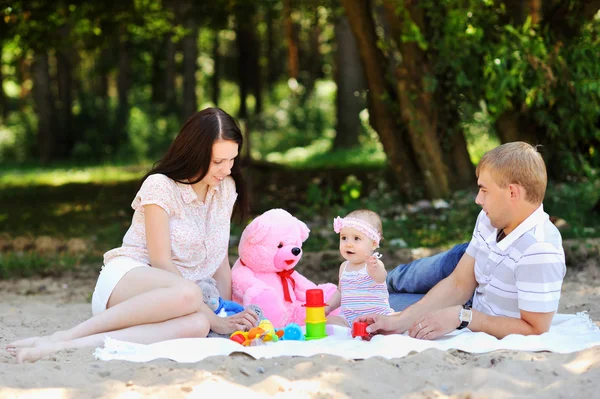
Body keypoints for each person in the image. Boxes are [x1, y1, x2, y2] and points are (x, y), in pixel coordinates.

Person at [7, 108, 260, 363]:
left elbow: (219, 260)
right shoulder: (161, 186)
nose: (226, 169)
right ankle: (62, 337)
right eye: (218, 162)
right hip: (129, 282)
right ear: (195, 153)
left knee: (197, 326)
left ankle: (61, 347)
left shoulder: (225, 189)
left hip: (182, 301)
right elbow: (161, 263)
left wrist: (223, 316)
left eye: (232, 160)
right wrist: (215, 318)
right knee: (190, 294)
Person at [360, 141, 566, 340]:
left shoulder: (540, 249)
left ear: (512, 192)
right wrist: (405, 320)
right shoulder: (489, 218)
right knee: (402, 278)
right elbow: (459, 283)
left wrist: (463, 316)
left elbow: (536, 330)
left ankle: (359, 293)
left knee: (383, 306)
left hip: (470, 306)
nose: (478, 199)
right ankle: (354, 282)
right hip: (463, 266)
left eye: (484, 190)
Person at [325, 209, 394, 327]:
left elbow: (381, 278)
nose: (348, 244)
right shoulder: (344, 267)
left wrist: (374, 269)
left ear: (373, 244)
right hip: (348, 318)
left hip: (374, 316)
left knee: (387, 324)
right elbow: (341, 291)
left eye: (356, 238)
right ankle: (349, 329)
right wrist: (328, 307)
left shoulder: (374, 264)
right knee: (326, 323)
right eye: (344, 238)